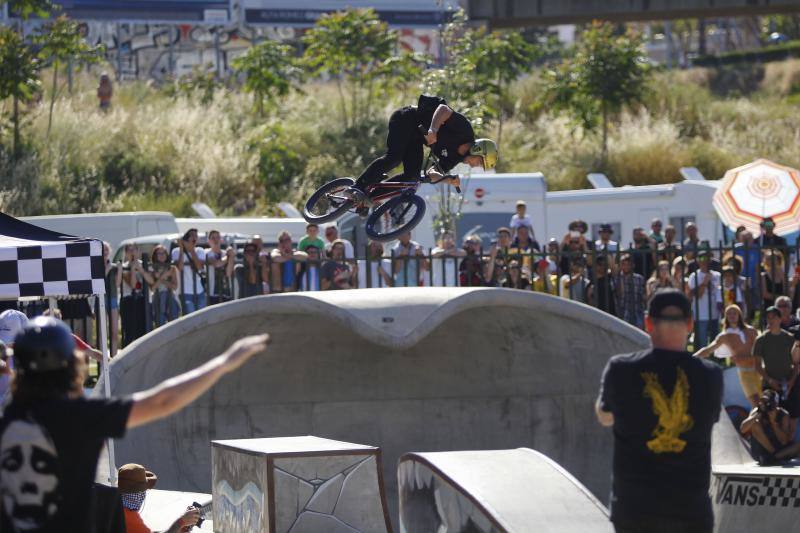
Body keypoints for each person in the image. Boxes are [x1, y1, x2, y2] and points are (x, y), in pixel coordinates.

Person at [0, 316, 268, 532]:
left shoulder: (8, 419)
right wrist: (224, 362)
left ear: (18, 367)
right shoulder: (85, 416)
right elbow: (163, 401)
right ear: (72, 365)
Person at [596, 289, 723, 533]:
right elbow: (710, 418)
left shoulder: (621, 369)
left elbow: (604, 416)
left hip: (635, 510)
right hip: (689, 512)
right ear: (690, 324)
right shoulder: (710, 376)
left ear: (648, 323)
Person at [350, 94, 497, 214]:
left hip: (416, 138)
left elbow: (432, 173)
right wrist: (433, 130)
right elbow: (443, 109)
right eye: (478, 162)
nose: (474, 165)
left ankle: (369, 198)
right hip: (407, 118)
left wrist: (447, 180)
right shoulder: (465, 131)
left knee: (412, 178)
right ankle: (358, 186)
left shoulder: (455, 159)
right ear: (478, 151)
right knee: (394, 158)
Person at [695, 304, 760, 405]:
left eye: (734, 313)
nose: (732, 315)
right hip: (745, 373)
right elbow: (708, 350)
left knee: (765, 404)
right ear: (725, 317)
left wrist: (744, 358)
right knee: (756, 403)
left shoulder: (751, 331)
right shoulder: (724, 336)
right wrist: (691, 359)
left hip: (759, 370)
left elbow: (761, 351)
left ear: (740, 315)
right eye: (729, 313)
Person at [118, 463, 199, 533]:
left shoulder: (117, 508)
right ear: (139, 493)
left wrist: (182, 527)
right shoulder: (129, 517)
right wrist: (181, 521)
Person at [753, 306, 800, 425]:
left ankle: (789, 442)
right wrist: (769, 380)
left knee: (793, 415)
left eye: (773, 317)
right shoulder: (761, 340)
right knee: (770, 417)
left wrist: (791, 382)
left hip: (789, 384)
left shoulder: (790, 338)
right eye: (768, 318)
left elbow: (796, 364)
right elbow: (757, 365)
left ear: (780, 319)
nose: (770, 320)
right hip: (770, 386)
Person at [740, 390, 794, 465]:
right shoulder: (757, 411)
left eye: (768, 402)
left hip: (778, 448)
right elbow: (743, 429)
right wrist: (755, 416)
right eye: (763, 401)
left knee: (797, 446)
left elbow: (784, 441)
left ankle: (773, 457)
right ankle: (774, 456)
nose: (765, 404)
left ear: (775, 404)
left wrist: (773, 423)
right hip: (762, 449)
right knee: (755, 425)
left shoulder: (783, 414)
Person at [687, 249, 722, 348]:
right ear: (698, 260)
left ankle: (716, 359)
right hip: (701, 314)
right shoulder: (694, 276)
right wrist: (704, 282)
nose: (705, 261)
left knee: (715, 341)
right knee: (702, 342)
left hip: (715, 313)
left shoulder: (717, 275)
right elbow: (697, 295)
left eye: (707, 258)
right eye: (702, 258)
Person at [171, 229, 206, 314]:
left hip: (199, 291)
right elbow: (179, 267)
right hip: (184, 292)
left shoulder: (200, 250)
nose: (194, 238)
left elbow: (199, 267)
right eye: (191, 236)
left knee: (202, 318)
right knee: (190, 318)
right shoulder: (176, 251)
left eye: (196, 236)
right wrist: (182, 248)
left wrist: (192, 249)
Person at [148, 245, 181, 327]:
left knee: (173, 324)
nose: (162, 255)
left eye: (164, 253)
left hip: (170, 295)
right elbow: (152, 288)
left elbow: (174, 286)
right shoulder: (152, 268)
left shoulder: (171, 268)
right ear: (155, 255)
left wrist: (161, 278)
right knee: (160, 324)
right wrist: (163, 277)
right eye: (159, 253)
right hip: (158, 297)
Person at [615, 254, 646, 329]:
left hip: (637, 311)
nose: (626, 267)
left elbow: (643, 296)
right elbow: (618, 294)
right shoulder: (617, 279)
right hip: (623, 312)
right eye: (623, 264)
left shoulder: (639, 278)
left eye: (628, 264)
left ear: (633, 265)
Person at [205, 230, 236, 305]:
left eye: (218, 237)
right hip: (212, 292)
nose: (216, 240)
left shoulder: (226, 253)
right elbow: (217, 264)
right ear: (208, 241)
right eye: (213, 238)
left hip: (226, 291)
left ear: (221, 240)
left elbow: (228, 273)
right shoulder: (206, 253)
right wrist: (228, 256)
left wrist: (231, 257)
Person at [102, 242, 121, 357]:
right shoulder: (95, 265)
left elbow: (118, 284)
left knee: (114, 333)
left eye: (106, 250)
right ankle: (103, 359)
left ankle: (113, 358)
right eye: (102, 250)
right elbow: (98, 283)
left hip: (113, 298)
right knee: (102, 333)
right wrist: (107, 270)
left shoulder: (113, 266)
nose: (105, 252)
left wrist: (119, 271)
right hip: (101, 299)